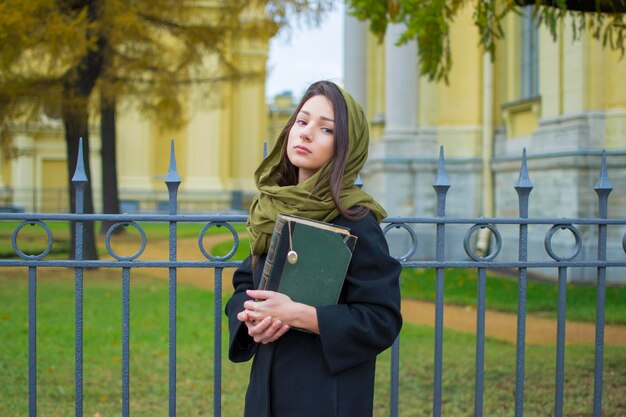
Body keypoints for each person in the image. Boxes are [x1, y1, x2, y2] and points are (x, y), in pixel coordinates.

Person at [225, 80, 402, 417]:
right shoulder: (270, 210)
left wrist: (301, 315)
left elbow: (382, 319)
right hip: (266, 397)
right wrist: (250, 318)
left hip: (326, 398)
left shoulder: (355, 220)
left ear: (345, 148)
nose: (305, 134)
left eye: (325, 129)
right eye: (302, 122)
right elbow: (243, 287)